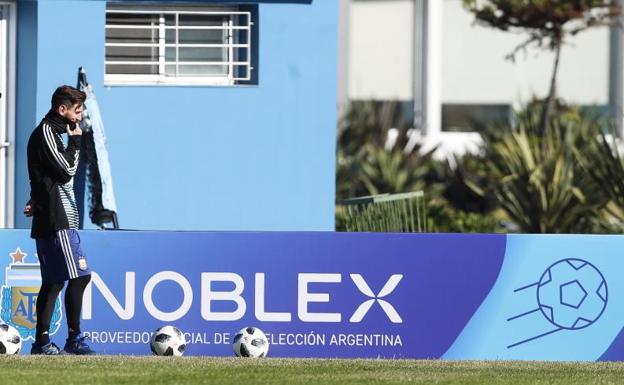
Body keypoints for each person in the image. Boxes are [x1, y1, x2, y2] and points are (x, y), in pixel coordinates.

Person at [24, 85, 95, 355]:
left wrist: (36, 198)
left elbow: (43, 174)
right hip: (57, 218)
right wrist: (76, 140)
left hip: (52, 215)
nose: (80, 116)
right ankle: (74, 339)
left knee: (54, 281)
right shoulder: (47, 132)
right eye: (77, 111)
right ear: (61, 109)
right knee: (80, 276)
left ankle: (42, 342)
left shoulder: (54, 133)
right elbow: (66, 171)